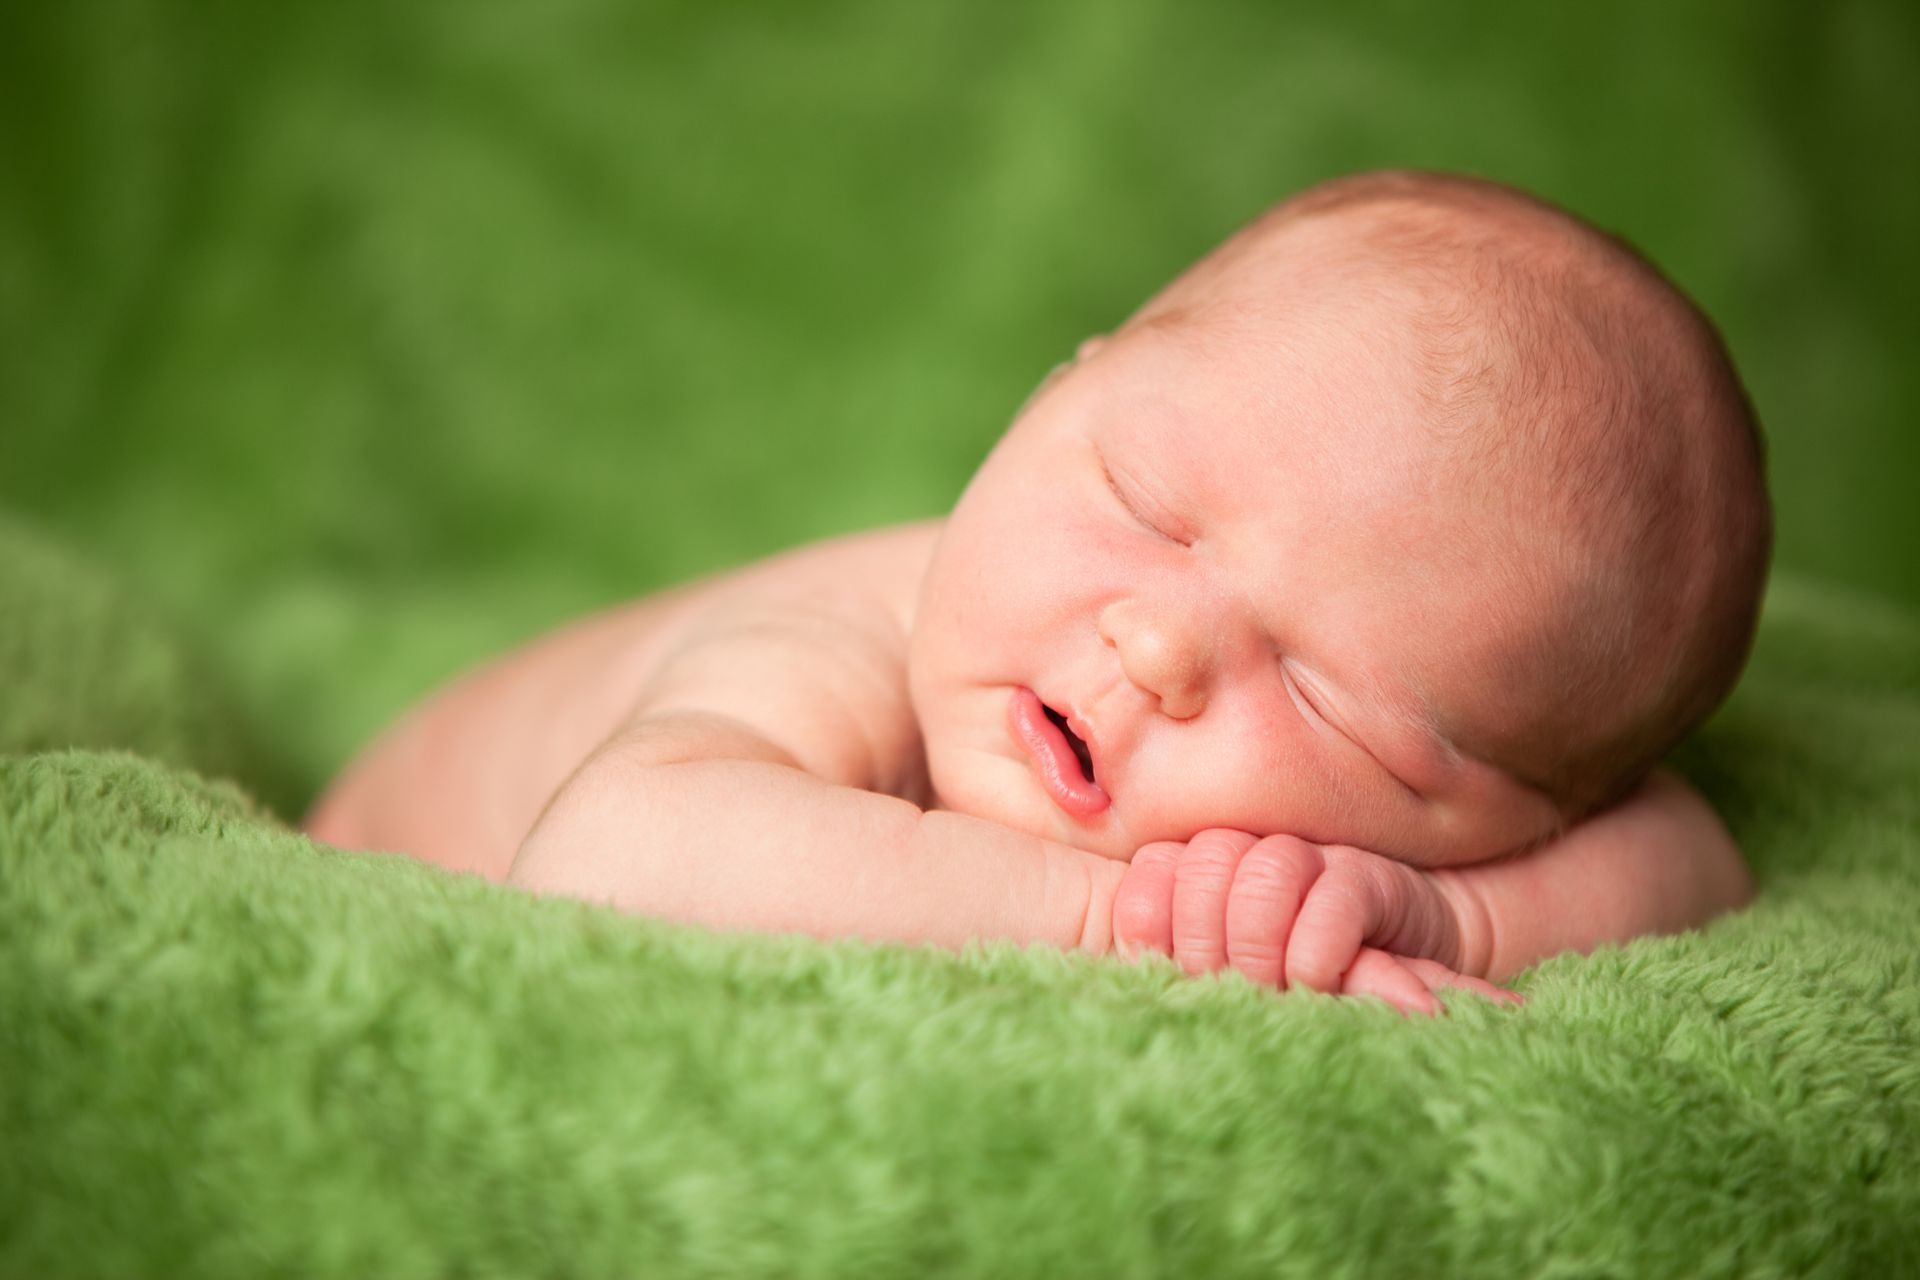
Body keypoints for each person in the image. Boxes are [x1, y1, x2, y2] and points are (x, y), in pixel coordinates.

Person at [303, 170, 1770, 1014]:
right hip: (365, 876)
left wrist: (1433, 922)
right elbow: (618, 855)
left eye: (1336, 703)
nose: (1161, 643)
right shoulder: (845, 644)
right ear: (1053, 391)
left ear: (1521, 815)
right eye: (1142, 502)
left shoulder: (1518, 829)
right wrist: (1129, 923)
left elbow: (1692, 851)